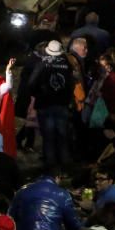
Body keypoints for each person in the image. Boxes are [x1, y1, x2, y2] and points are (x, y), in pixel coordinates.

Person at [25, 41, 75, 169]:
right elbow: (71, 84)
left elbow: (31, 84)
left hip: (44, 104)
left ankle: (50, 164)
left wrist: (37, 95)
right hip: (61, 104)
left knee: (48, 136)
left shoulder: (42, 65)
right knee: (62, 134)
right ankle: (65, 162)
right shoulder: (66, 65)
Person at [9, 173, 81, 230]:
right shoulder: (63, 194)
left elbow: (10, 218)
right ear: (57, 177)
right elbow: (73, 225)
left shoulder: (22, 192)